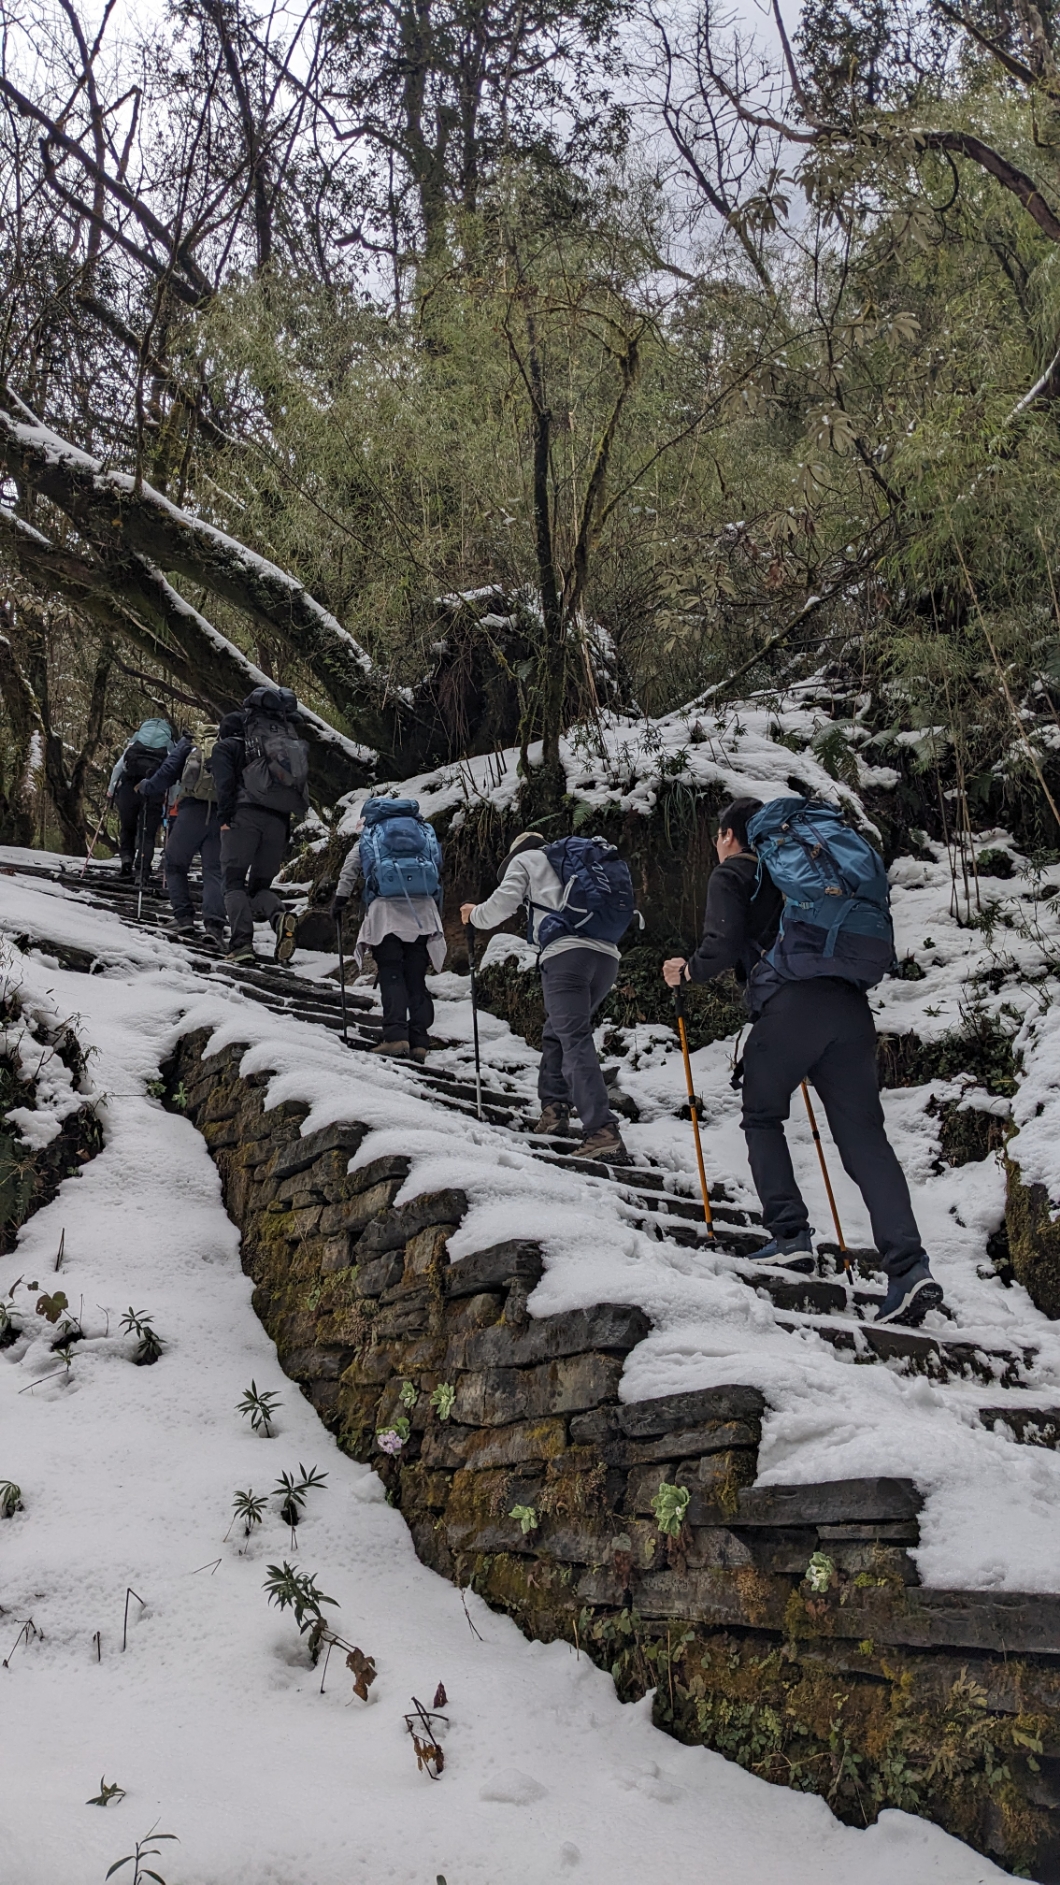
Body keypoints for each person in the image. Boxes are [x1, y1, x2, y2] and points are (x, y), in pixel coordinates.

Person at [662, 796, 944, 1328]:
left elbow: (720, 947)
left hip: (791, 1008)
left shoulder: (734, 873)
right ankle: (909, 1269)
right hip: (849, 1008)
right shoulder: (800, 873)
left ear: (728, 835)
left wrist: (688, 973)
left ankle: (790, 1235)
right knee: (866, 1141)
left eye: (718, 837)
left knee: (763, 1115)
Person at [461, 832, 630, 1164]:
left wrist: (474, 914)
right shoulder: (579, 864)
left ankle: (602, 1131)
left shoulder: (527, 860)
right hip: (606, 958)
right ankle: (554, 1110)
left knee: (573, 1038)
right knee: (558, 1032)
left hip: (566, 956)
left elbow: (503, 904)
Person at [331, 797, 445, 1062]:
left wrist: (339, 900)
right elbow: (437, 865)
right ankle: (419, 1042)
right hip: (423, 912)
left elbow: (350, 868)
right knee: (416, 975)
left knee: (392, 972)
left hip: (386, 914)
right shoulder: (422, 832)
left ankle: (396, 1037)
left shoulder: (372, 834)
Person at [211, 689, 309, 966]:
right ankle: (279, 918)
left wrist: (225, 818)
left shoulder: (227, 747)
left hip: (244, 817)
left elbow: (225, 786)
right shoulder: (276, 747)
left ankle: (241, 945)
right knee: (259, 888)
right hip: (279, 821)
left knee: (233, 883)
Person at [139, 722, 226, 949]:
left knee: (175, 863)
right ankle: (214, 927)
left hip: (191, 811)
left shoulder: (190, 742)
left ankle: (184, 917)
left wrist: (147, 786)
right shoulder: (231, 743)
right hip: (222, 815)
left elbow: (167, 773)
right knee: (214, 871)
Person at [107, 717, 175, 880]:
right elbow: (173, 775)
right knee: (148, 833)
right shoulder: (169, 745)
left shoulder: (136, 740)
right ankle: (143, 870)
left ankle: (126, 861)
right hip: (154, 791)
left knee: (127, 827)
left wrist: (111, 790)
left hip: (129, 789)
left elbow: (118, 767)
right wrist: (171, 800)